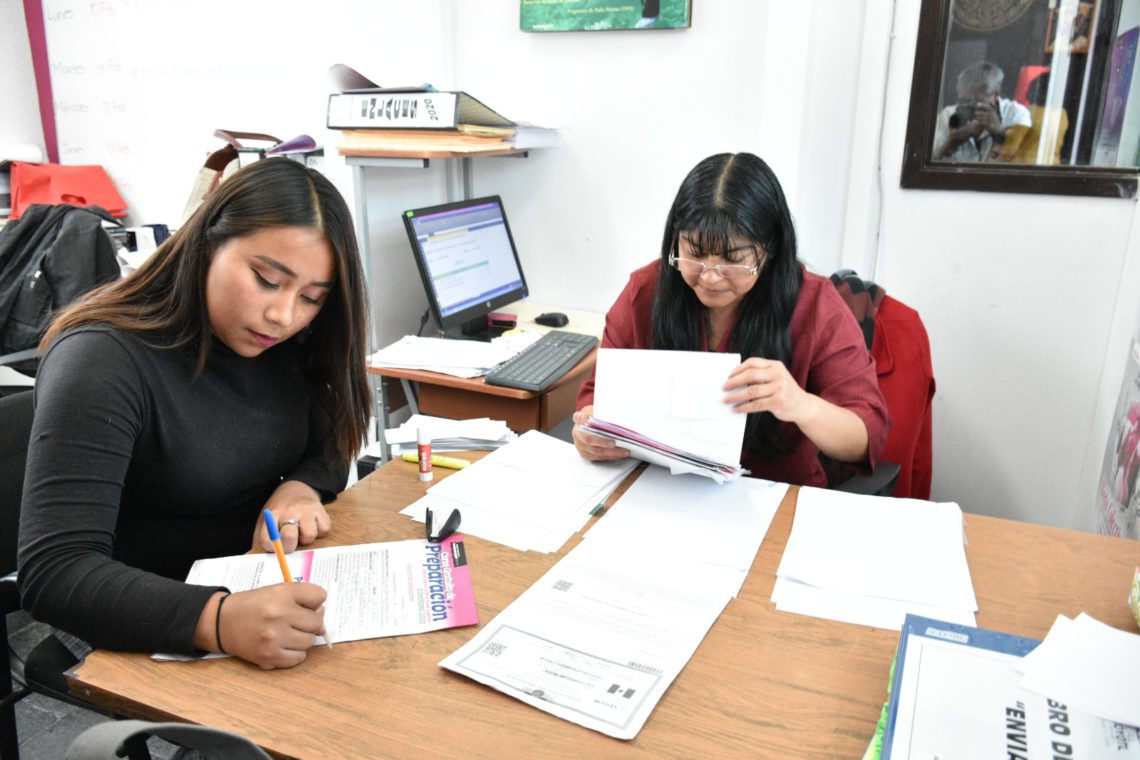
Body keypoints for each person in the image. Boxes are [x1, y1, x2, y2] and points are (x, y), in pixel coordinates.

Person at [17, 158, 371, 678]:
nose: (285, 315)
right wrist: (219, 619)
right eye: (267, 279)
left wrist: (302, 485)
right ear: (207, 242)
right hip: (149, 617)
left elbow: (333, 435)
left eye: (312, 298)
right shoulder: (101, 360)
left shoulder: (279, 341)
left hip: (253, 589)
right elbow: (56, 572)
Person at [573, 152, 890, 487]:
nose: (710, 276)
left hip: (773, 498)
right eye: (694, 253)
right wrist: (590, 433)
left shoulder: (814, 304)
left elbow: (866, 437)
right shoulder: (646, 291)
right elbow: (595, 400)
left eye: (733, 259)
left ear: (769, 250)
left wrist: (800, 404)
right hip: (659, 488)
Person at [932, 61, 1031, 162]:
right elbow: (928, 161)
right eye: (964, 102)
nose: (969, 107)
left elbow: (1023, 162)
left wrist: (998, 133)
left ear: (996, 95)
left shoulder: (1016, 115)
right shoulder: (948, 115)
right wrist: (951, 143)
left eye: (976, 101)